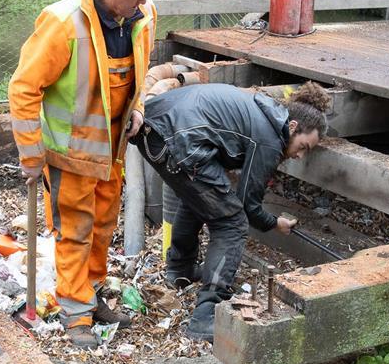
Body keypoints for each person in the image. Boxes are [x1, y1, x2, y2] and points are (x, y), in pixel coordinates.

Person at [9, 0, 157, 348]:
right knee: (75, 231)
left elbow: (140, 71)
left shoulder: (143, 15)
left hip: (110, 149)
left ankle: (91, 295)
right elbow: (23, 88)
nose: (144, 3)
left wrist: (138, 107)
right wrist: (30, 154)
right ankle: (75, 313)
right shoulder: (62, 22)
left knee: (103, 227)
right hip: (70, 153)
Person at [132, 82, 331, 342]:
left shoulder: (264, 114)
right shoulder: (271, 139)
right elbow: (248, 204)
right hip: (178, 138)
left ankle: (180, 270)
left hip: (154, 128)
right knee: (232, 223)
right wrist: (273, 223)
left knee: (201, 199)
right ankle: (207, 314)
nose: (300, 156)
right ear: (292, 127)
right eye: (303, 147)